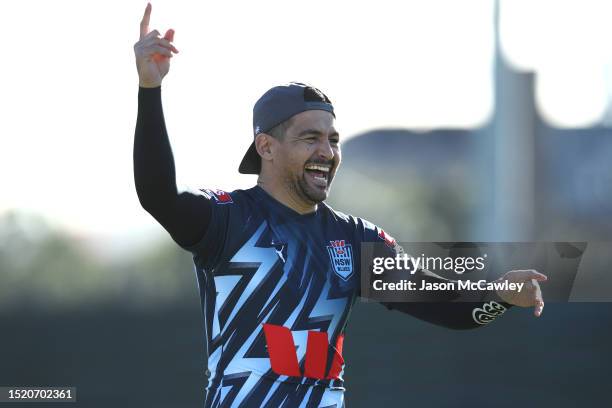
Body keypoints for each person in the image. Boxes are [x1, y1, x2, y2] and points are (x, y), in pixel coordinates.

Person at [133, 3, 547, 407]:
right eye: (310, 138)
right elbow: (157, 195)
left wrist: (500, 295)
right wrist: (150, 89)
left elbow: (439, 304)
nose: (327, 152)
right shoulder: (229, 219)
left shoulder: (355, 239)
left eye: (333, 139)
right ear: (266, 147)